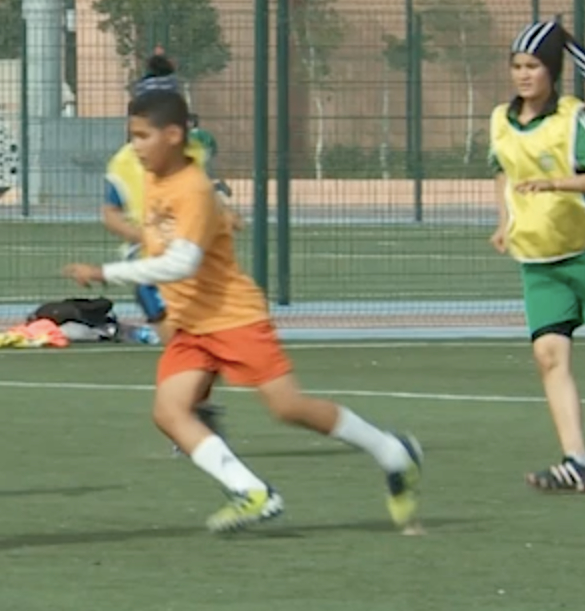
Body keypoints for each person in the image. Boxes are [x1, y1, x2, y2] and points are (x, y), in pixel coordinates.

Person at [63, 90, 422, 533]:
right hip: (193, 323)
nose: (135, 145)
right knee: (169, 411)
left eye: (142, 135)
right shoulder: (155, 177)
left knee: (289, 407)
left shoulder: (192, 187)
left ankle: (392, 451)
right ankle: (252, 492)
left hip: (233, 317)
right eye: (131, 135)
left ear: (173, 135)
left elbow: (183, 262)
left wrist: (105, 271)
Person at [489, 20, 585, 493]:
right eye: (517, 65)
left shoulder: (573, 120)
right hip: (540, 262)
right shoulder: (500, 119)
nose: (523, 74)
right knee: (548, 354)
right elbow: (501, 170)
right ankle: (577, 462)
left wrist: (559, 183)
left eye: (533, 66)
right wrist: (504, 221)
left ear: (551, 71)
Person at [103, 53, 227, 438]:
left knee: (204, 347)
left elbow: (202, 194)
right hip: (154, 269)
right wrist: (146, 239)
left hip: (197, 264)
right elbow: (109, 212)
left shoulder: (196, 150)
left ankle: (196, 411)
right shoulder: (124, 163)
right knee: (181, 347)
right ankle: (194, 415)